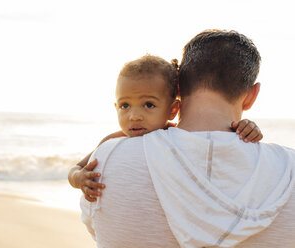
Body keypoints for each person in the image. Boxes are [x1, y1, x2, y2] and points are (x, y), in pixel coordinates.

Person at [79, 29, 295, 248]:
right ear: (251, 96)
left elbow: (95, 227)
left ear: (178, 88)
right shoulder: (290, 170)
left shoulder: (107, 159)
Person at [68, 55, 262, 202]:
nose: (134, 115)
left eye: (149, 105)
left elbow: (214, 142)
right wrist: (80, 179)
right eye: (125, 105)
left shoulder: (177, 134)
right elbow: (76, 168)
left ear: (173, 110)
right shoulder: (112, 141)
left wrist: (245, 127)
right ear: (116, 107)